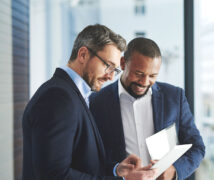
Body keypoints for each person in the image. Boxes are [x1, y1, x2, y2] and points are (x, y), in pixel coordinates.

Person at [22, 24, 156, 180]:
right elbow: (55, 175)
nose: (111, 77)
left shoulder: (74, 95)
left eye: (115, 70)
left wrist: (116, 170)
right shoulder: (58, 97)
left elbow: (79, 161)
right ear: (83, 55)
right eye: (108, 66)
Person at [90, 37, 205, 180]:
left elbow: (197, 147)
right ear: (123, 63)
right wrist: (117, 171)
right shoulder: (96, 102)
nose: (144, 82)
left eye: (152, 76)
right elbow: (92, 158)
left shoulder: (174, 97)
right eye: (138, 74)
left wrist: (175, 171)